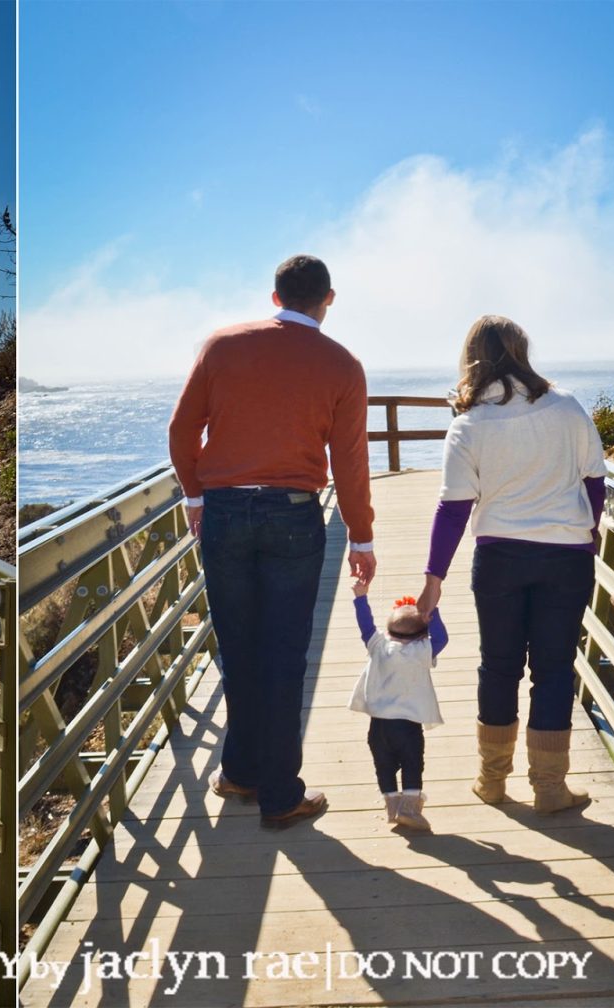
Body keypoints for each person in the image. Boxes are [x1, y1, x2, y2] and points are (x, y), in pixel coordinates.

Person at [168, 254, 375, 829]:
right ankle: (281, 795)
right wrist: (361, 536)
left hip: (226, 512)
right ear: (327, 299)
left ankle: (240, 771)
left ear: (276, 296)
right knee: (284, 654)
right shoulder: (342, 365)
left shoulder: (221, 345)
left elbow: (182, 430)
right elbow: (350, 460)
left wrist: (195, 496)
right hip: (292, 513)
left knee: (238, 647)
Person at [416, 315, 606, 814]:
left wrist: (433, 578)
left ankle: (492, 781)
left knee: (498, 666)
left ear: (472, 356)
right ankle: (549, 788)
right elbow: (594, 481)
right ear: (522, 351)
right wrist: (589, 532)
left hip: (499, 557)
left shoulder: (469, 423)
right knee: (554, 669)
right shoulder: (566, 406)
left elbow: (453, 507)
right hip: (565, 558)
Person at [349, 584, 447, 831]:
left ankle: (392, 806)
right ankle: (409, 809)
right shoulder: (423, 650)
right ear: (423, 635)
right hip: (407, 726)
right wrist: (433, 611)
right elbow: (442, 638)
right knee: (412, 764)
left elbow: (366, 626)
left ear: (388, 631)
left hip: (378, 727)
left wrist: (361, 598)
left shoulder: (378, 646)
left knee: (384, 766)